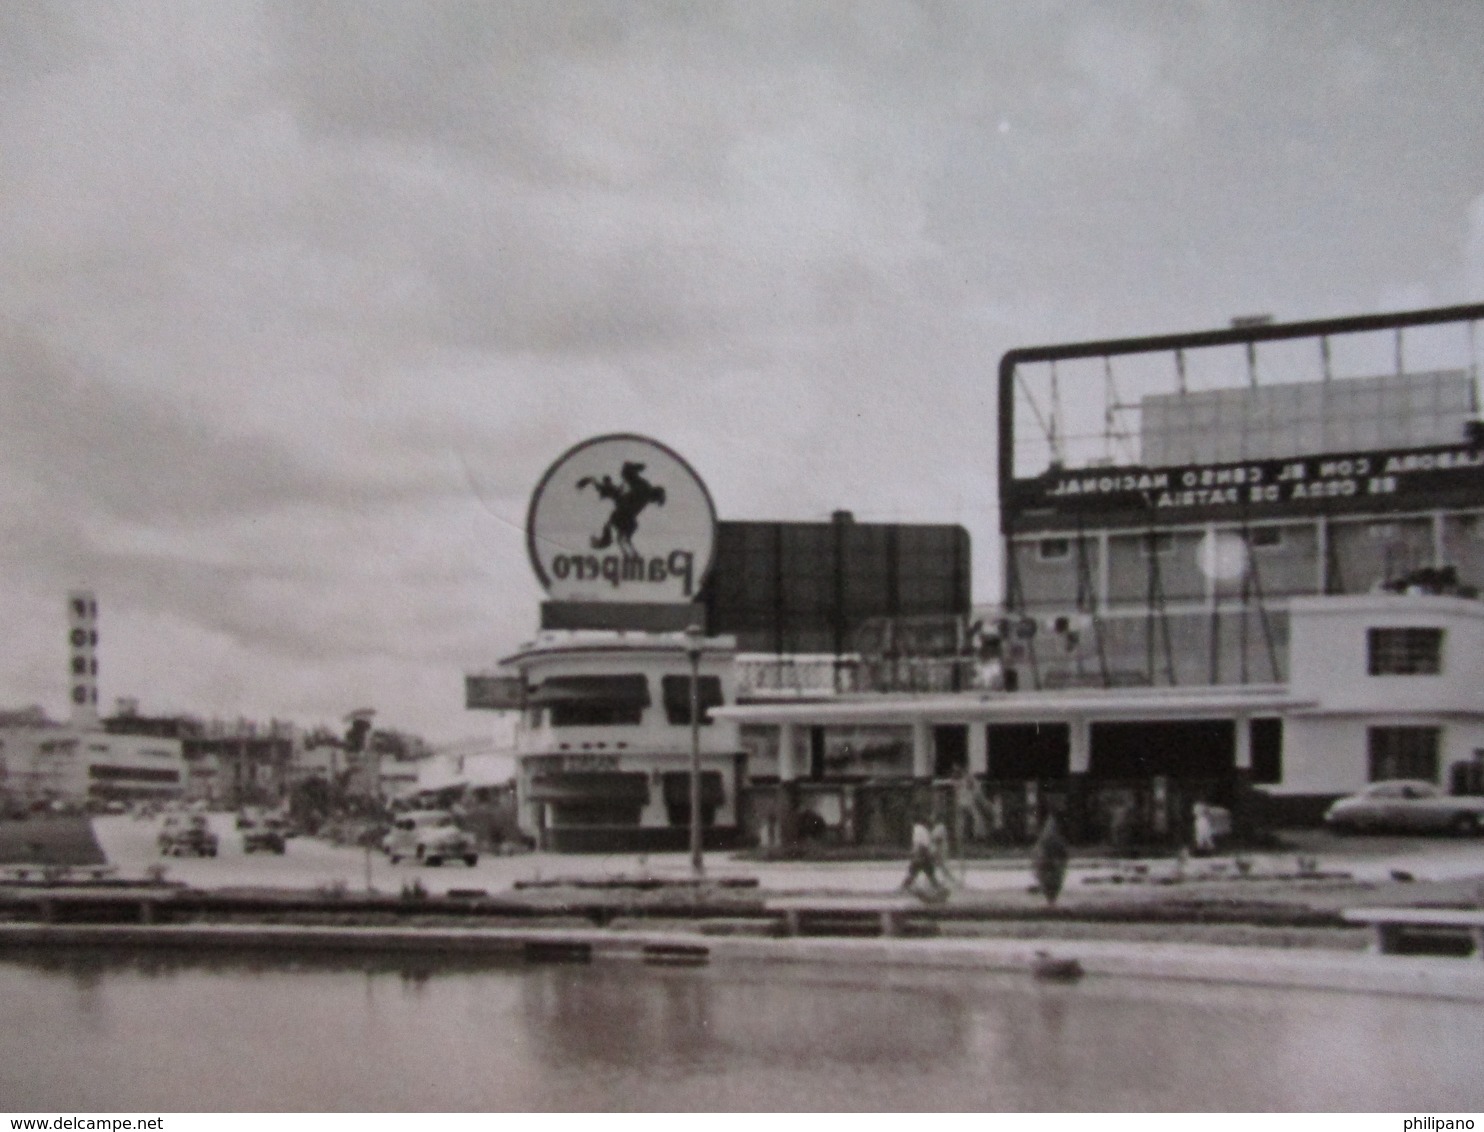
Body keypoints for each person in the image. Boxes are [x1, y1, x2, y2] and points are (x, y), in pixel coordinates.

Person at [899, 815, 942, 893]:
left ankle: (903, 888)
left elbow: (920, 844)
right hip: (923, 856)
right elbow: (924, 844)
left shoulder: (917, 829)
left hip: (920, 856)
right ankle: (938, 888)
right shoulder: (921, 830)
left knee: (915, 873)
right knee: (928, 873)